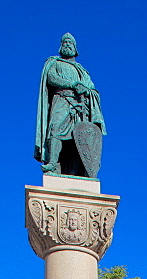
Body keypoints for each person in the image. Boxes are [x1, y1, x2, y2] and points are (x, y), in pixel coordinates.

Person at [34, 33, 106, 176]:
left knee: (77, 139)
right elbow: (51, 78)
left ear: (75, 48)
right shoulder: (54, 63)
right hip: (62, 100)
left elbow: (92, 88)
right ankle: (53, 163)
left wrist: (86, 90)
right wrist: (72, 84)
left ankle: (75, 172)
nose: (67, 45)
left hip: (80, 106)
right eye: (65, 42)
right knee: (55, 129)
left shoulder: (82, 70)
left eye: (70, 43)